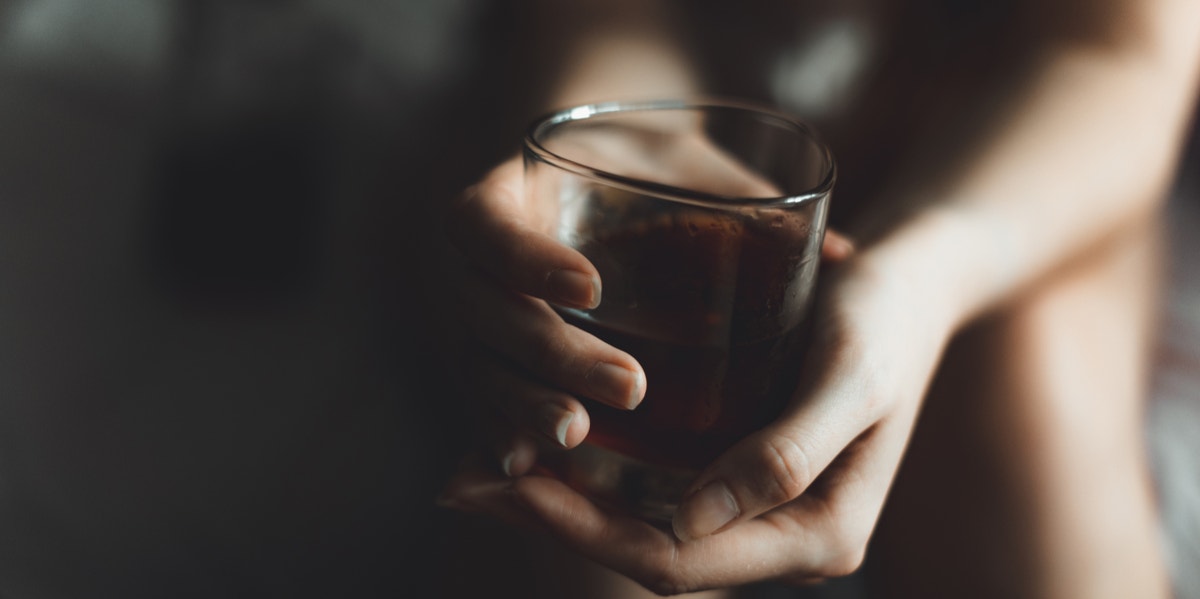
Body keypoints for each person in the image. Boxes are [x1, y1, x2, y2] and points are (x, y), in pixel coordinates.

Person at [431, 0, 1200, 597]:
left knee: (1033, 416)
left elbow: (1113, 49)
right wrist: (623, 156)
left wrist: (921, 277)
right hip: (682, 77)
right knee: (615, 481)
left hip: (1011, 128)